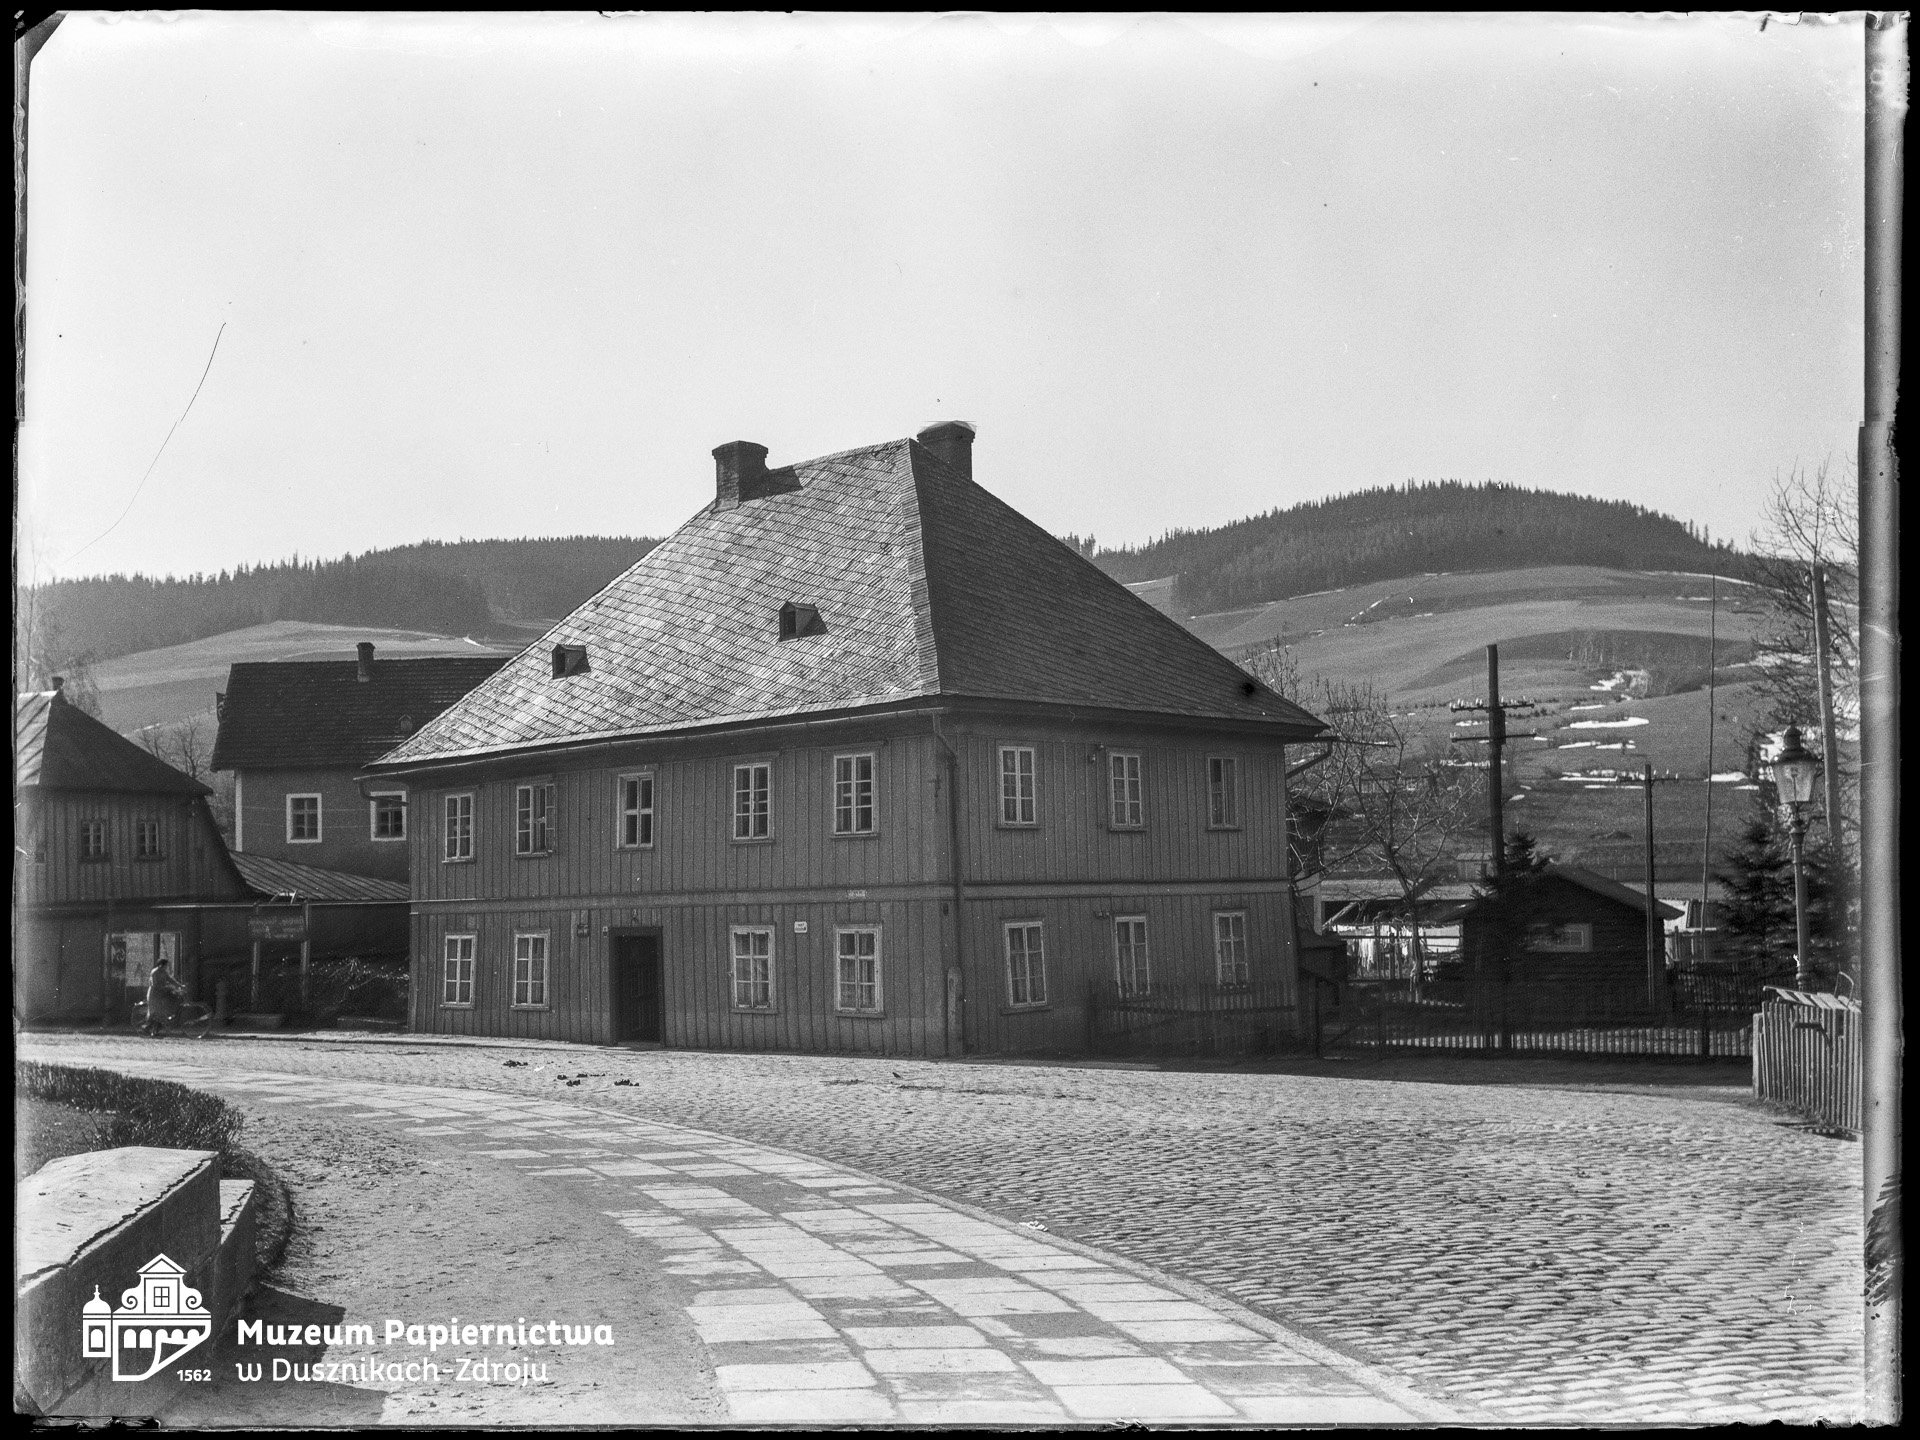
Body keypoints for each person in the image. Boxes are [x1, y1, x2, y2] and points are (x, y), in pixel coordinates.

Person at [143, 957, 185, 1037]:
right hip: (153, 994)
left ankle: (155, 1031)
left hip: (160, 994)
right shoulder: (154, 972)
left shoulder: (164, 972)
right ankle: (146, 1028)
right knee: (154, 1012)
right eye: (165, 965)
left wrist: (180, 986)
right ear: (160, 965)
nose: (166, 967)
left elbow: (171, 980)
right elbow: (155, 985)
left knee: (160, 1012)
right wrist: (167, 987)